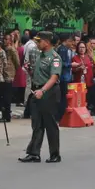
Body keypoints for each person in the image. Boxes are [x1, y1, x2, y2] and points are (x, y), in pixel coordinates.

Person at [20, 31, 62, 163]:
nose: (37, 43)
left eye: (39, 41)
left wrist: (43, 91)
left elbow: (54, 77)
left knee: (50, 124)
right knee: (36, 123)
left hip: (48, 92)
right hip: (37, 90)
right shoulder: (39, 55)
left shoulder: (55, 58)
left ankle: (55, 154)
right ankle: (34, 153)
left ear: (47, 42)